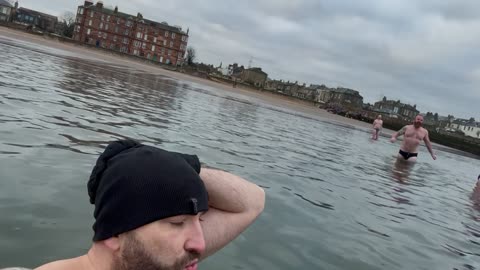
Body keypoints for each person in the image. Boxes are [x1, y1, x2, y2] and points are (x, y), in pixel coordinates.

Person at [3, 139, 265, 270]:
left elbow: (253, 201)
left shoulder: (164, 259)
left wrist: (181, 166)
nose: (200, 243)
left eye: (200, 219)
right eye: (177, 223)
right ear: (116, 232)